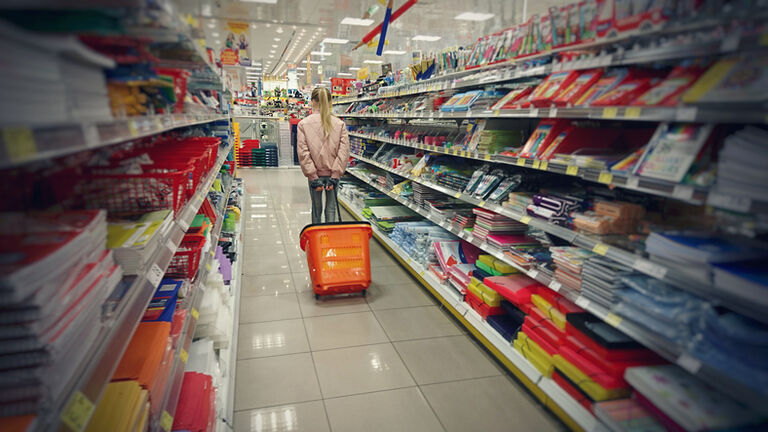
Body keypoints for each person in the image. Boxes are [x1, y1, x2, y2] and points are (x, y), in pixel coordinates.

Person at [297, 86, 350, 224]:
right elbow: (343, 152)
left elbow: (303, 153)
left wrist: (313, 177)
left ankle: (317, 241)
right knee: (330, 209)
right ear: (330, 102)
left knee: (316, 209)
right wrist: (335, 175)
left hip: (314, 175)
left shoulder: (303, 124)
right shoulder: (340, 124)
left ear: (312, 101)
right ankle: (329, 241)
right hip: (334, 174)